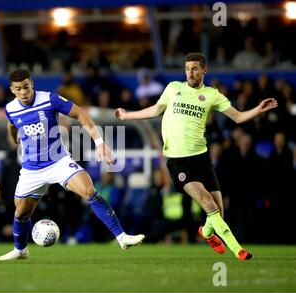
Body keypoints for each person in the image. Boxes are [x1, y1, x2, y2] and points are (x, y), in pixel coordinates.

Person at [115, 52, 278, 260]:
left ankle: (207, 232)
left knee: (219, 210)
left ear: (204, 70)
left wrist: (258, 109)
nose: (190, 73)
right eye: (187, 69)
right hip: (178, 161)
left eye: (194, 69)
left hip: (201, 158)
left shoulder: (212, 94)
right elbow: (155, 110)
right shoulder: (174, 88)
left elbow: (237, 117)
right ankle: (238, 249)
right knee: (209, 204)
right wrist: (127, 115)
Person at [0, 69, 144, 261]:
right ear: (12, 90)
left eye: (26, 87)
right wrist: (14, 137)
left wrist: (99, 143)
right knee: (21, 212)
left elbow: (81, 114)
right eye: (18, 89)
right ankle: (20, 250)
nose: (23, 92)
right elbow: (11, 124)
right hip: (31, 169)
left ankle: (122, 237)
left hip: (58, 162)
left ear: (32, 83)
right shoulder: (10, 108)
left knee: (89, 191)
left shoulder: (50, 99)